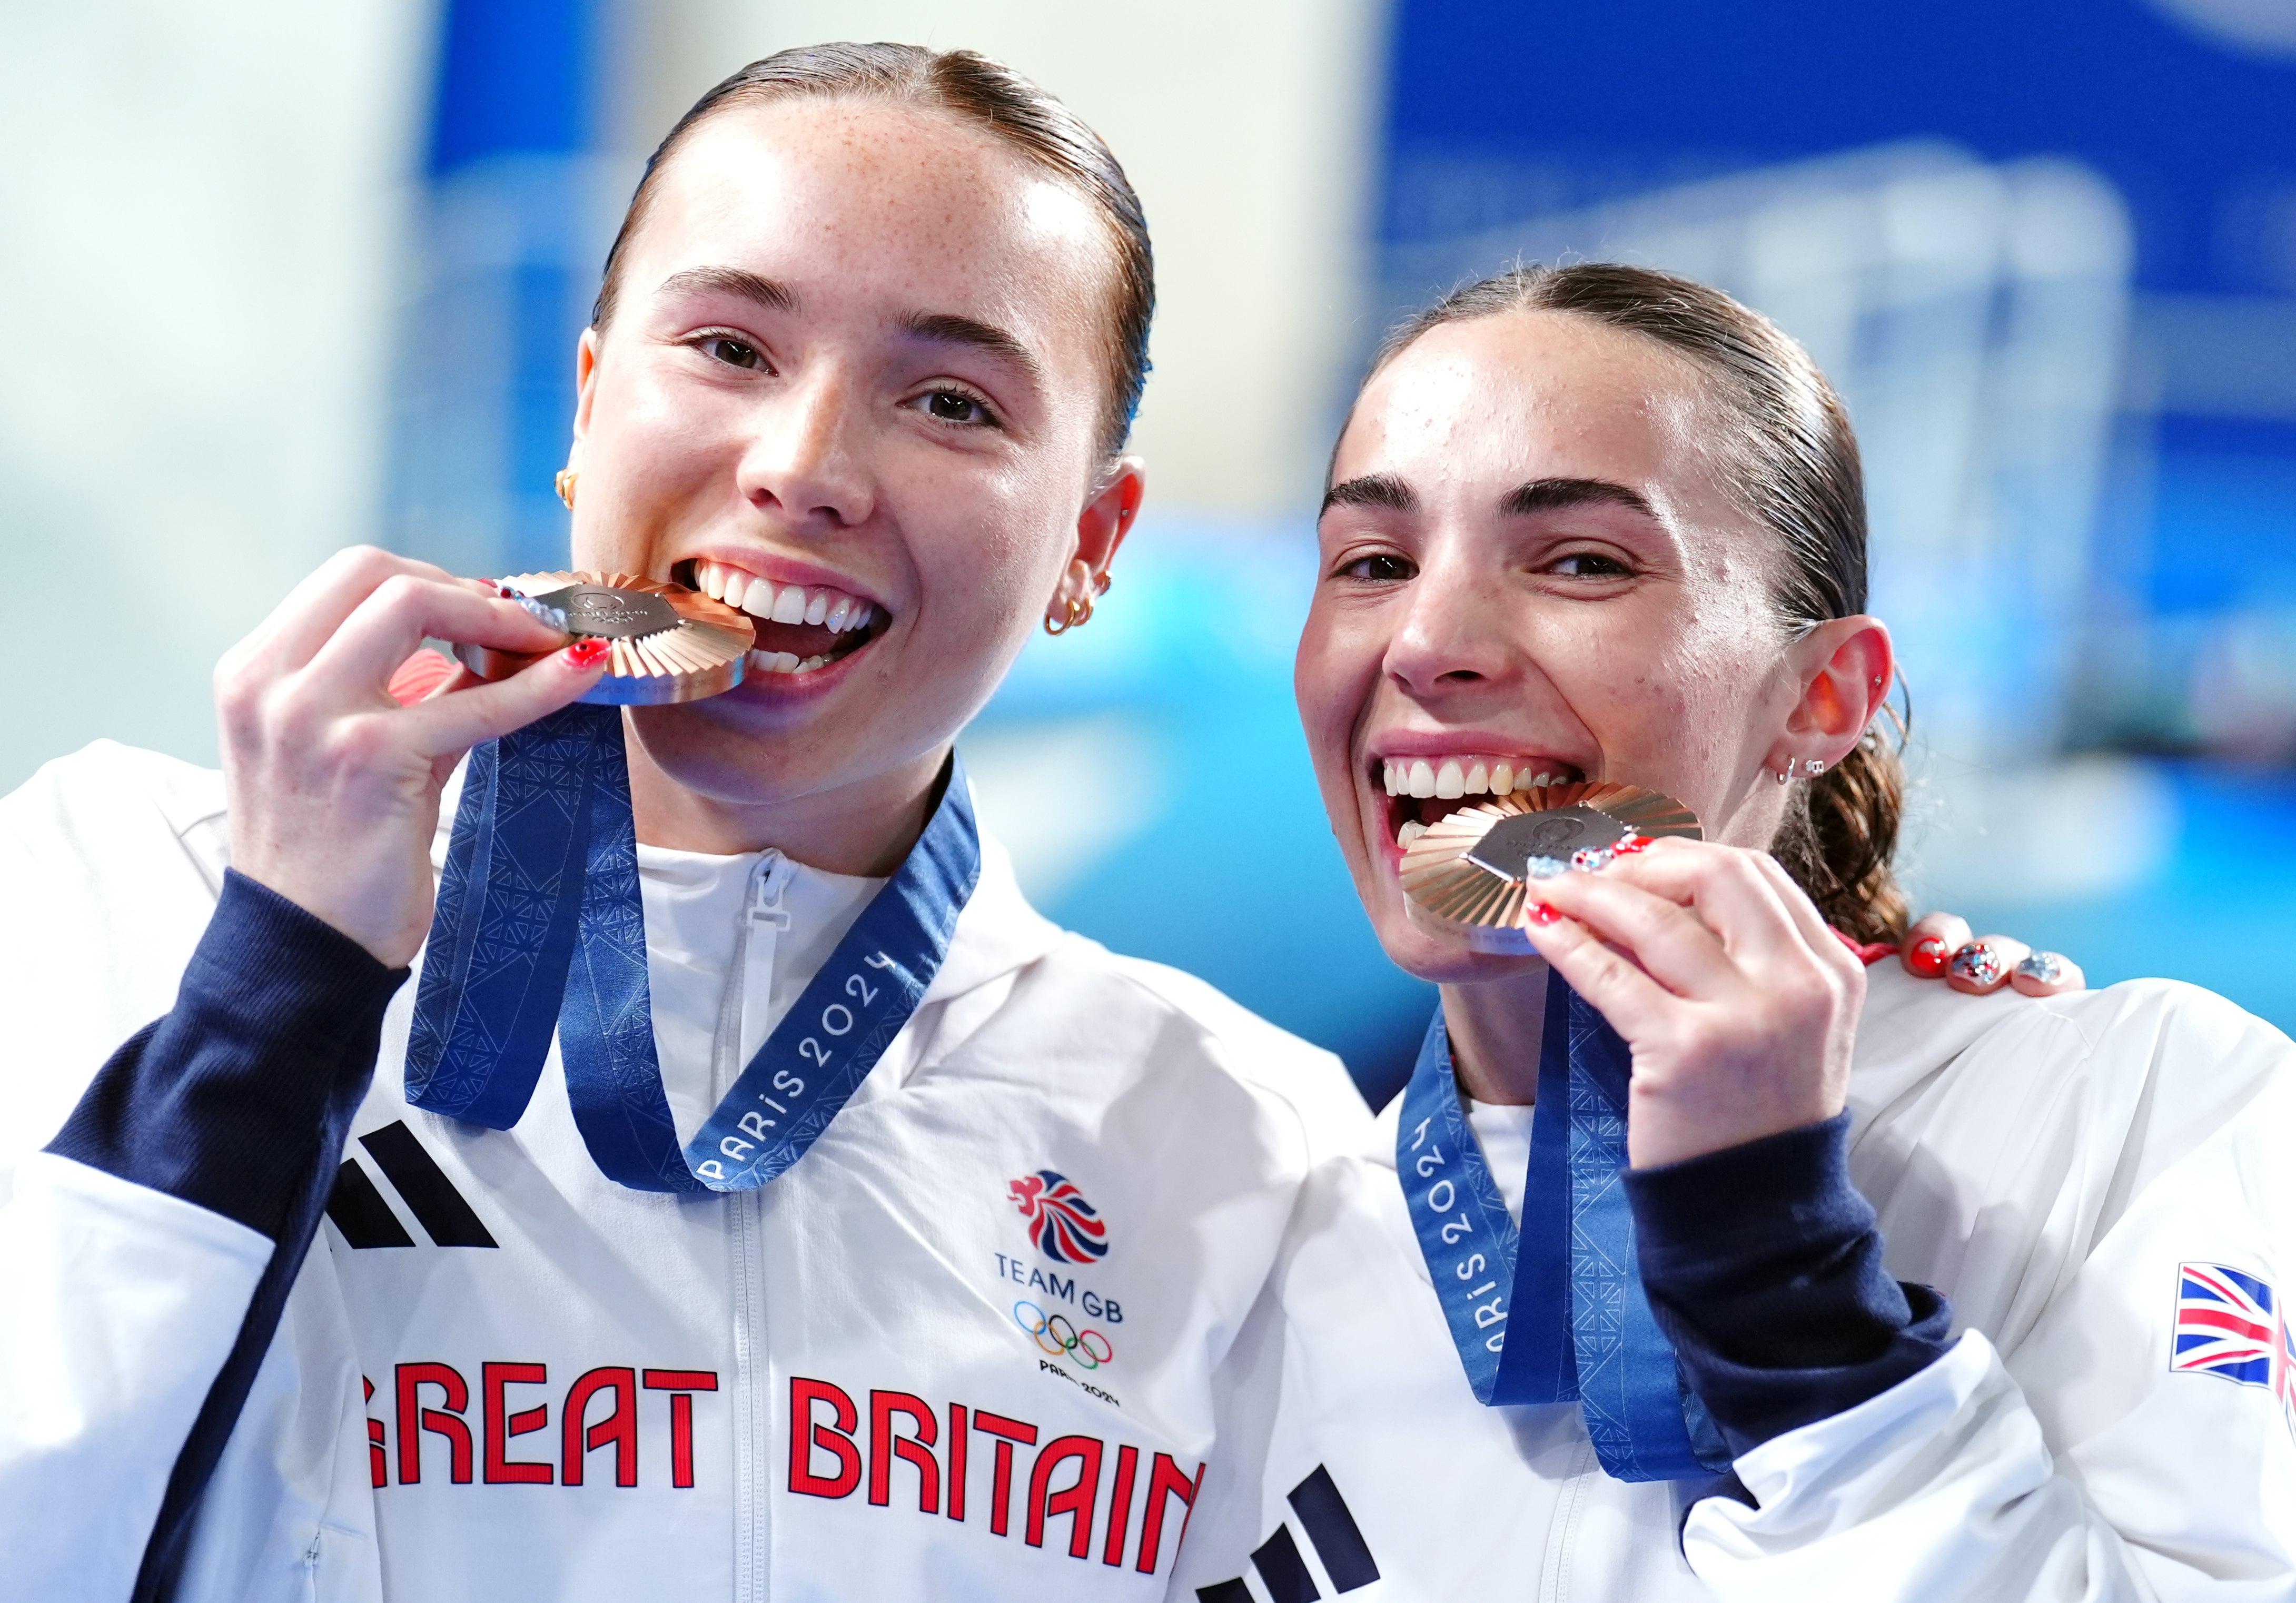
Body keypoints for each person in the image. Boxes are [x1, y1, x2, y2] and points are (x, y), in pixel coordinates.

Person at [0, 45, 1383, 1602]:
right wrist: (281, 978)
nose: (802, 469)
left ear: (1091, 541)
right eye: (729, 345)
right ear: (590, 400)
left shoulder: (1244, 1142)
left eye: (949, 399)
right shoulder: (126, 891)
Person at [1173, 264, 2289, 1601]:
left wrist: (1791, 1290)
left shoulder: (2132, 1105)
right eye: (1372, 562)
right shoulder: (1247, 1241)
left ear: (1820, 697)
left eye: (1579, 560)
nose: (1425, 640)